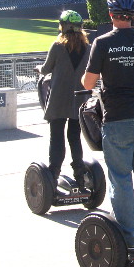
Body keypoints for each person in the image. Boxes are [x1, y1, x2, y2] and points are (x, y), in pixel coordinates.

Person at [82, 0, 134, 254]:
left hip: (117, 119)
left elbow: (88, 82)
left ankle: (130, 240)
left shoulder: (102, 42)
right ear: (133, 14)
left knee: (121, 179)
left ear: (111, 14)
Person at [35, 10, 90, 189]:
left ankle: (53, 173)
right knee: (75, 137)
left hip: (59, 99)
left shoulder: (57, 46)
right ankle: (80, 176)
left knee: (56, 137)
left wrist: (38, 68)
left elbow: (46, 69)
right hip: (79, 100)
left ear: (63, 26)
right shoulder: (88, 48)